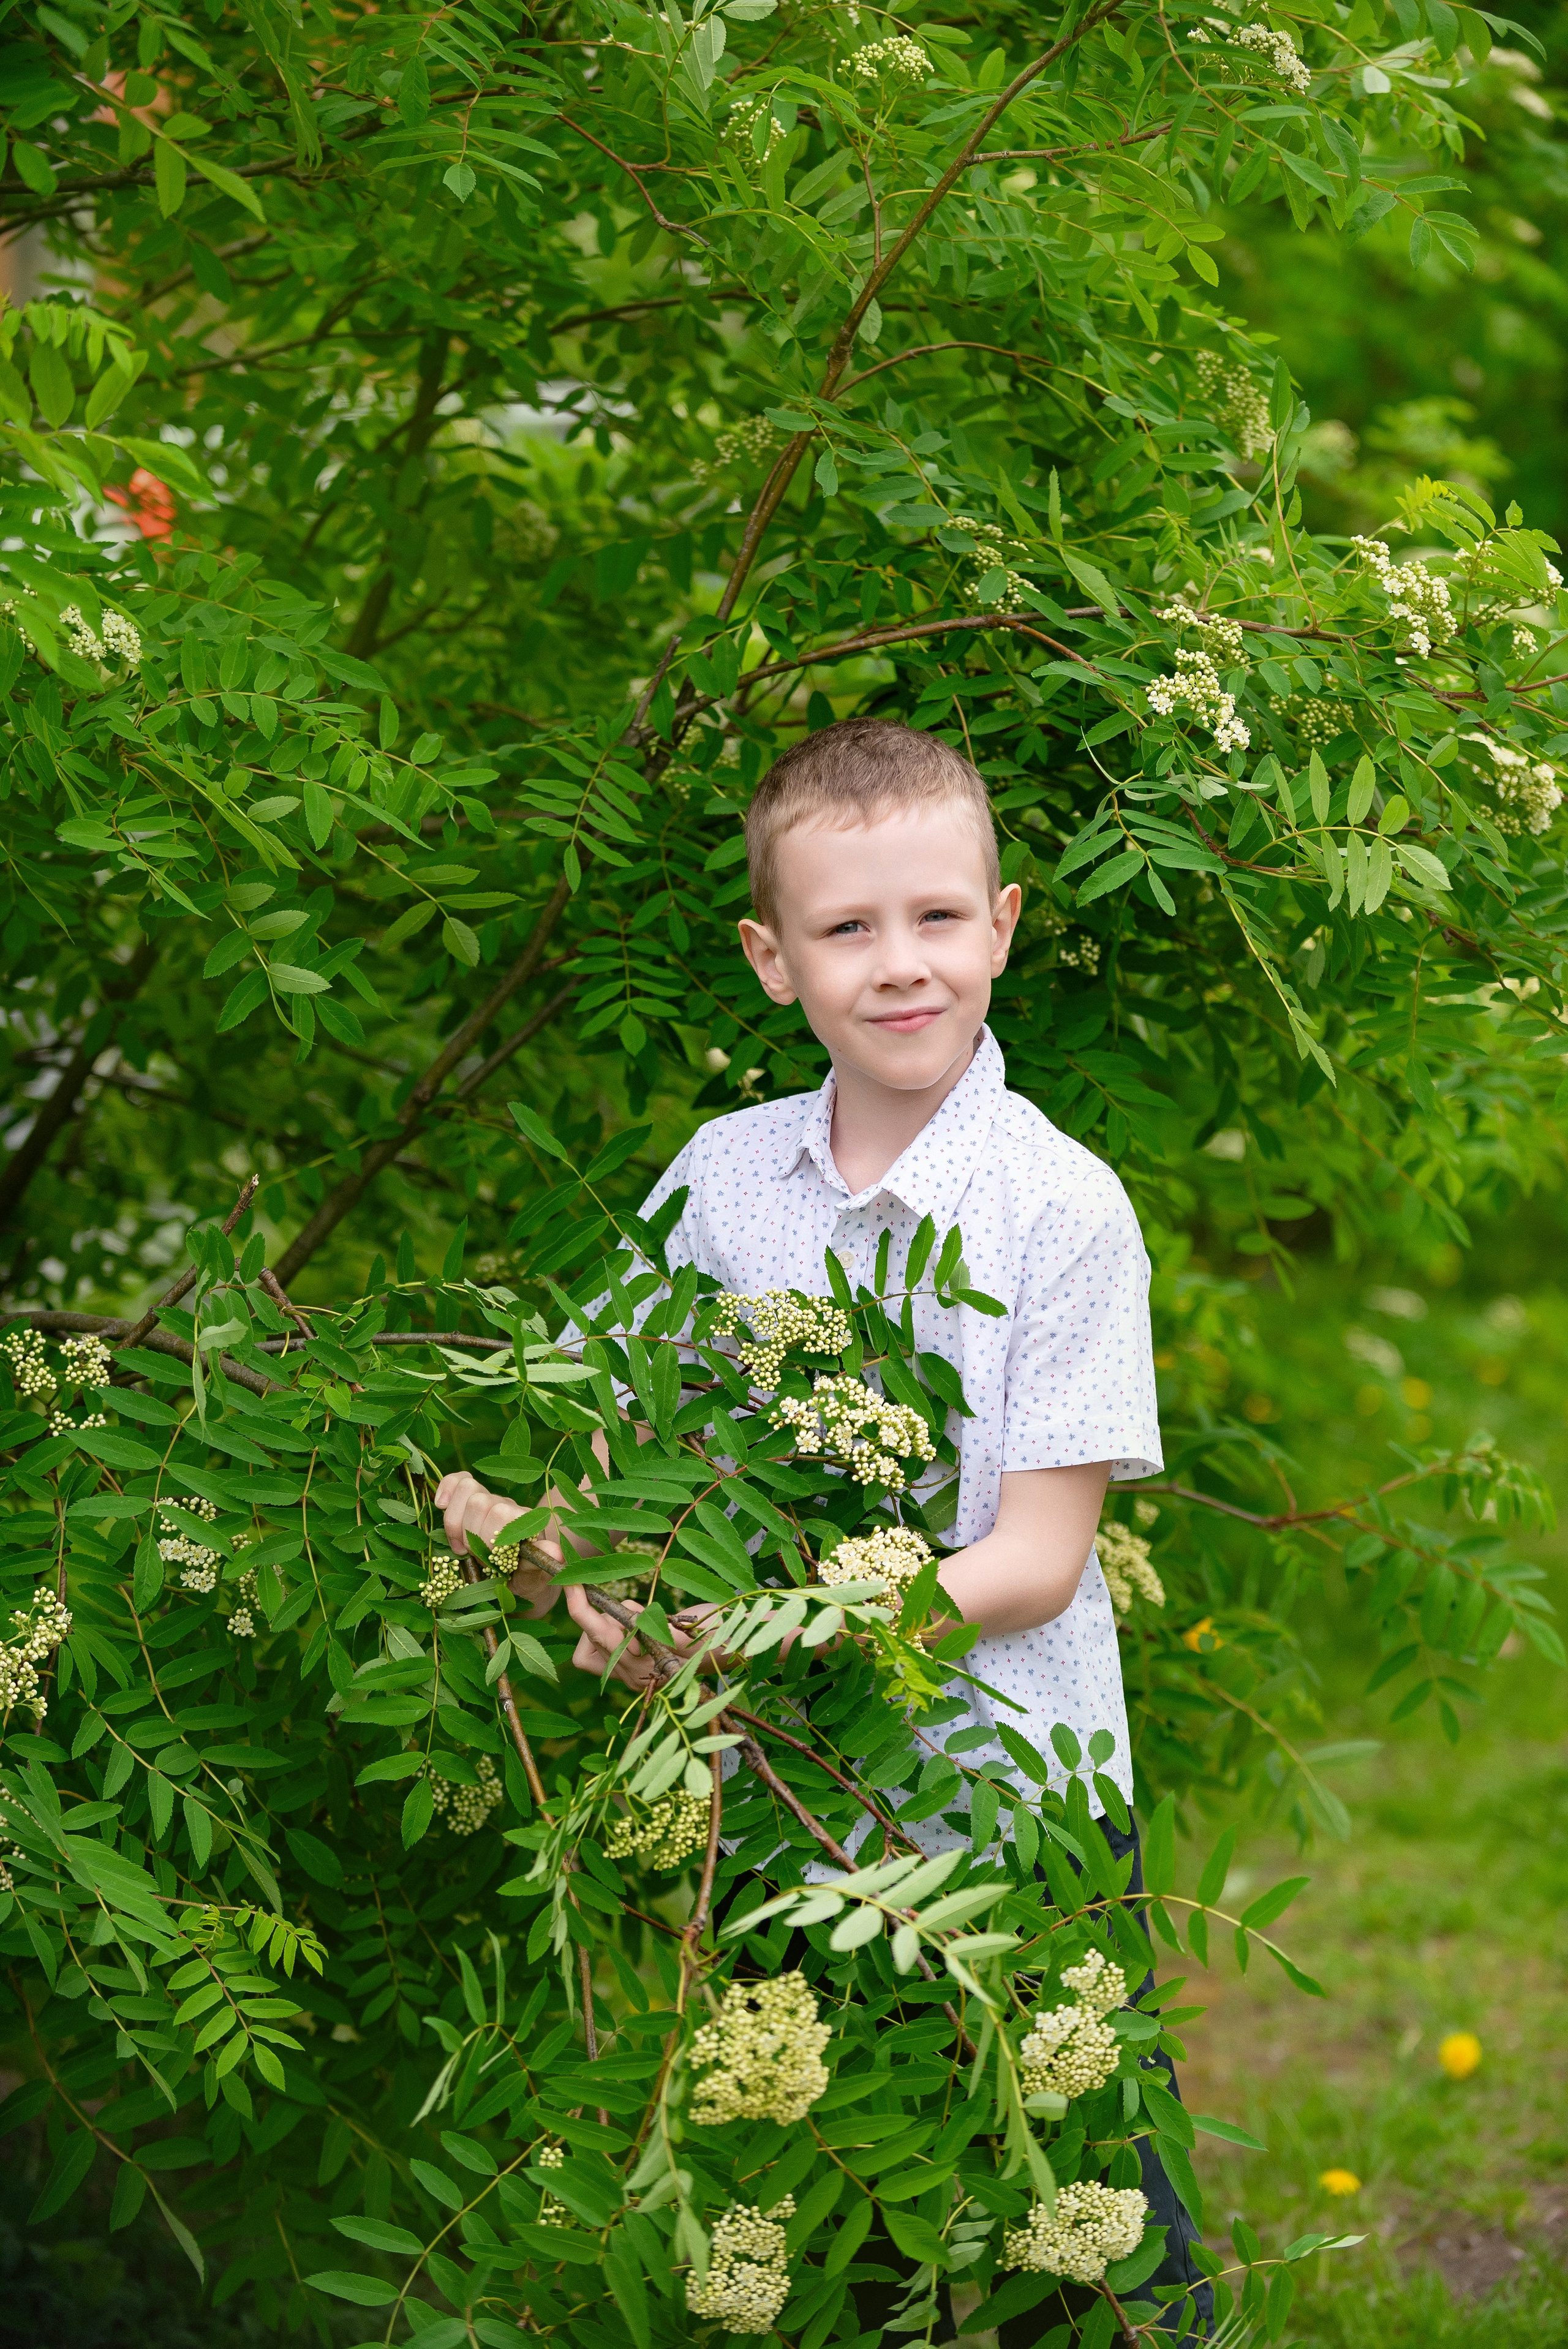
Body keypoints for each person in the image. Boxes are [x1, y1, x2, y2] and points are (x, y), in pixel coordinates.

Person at [434, 717, 1212, 2340]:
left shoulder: (1060, 1207)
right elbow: (635, 1459)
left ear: (1002, 923)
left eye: (936, 917)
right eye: (848, 927)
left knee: (1080, 2199)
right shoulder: (725, 1182)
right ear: (772, 958)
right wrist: (566, 1557)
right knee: (842, 2188)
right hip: (796, 1803)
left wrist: (768, 1626)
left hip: (1018, 1808)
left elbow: (1035, 1561)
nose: (900, 962)